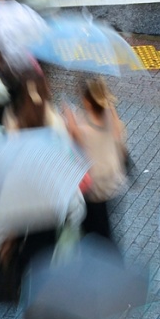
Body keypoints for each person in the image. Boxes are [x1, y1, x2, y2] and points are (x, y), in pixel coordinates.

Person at [64, 77, 128, 241]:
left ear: (88, 102)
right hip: (113, 183)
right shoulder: (110, 116)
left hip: (95, 189)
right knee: (105, 227)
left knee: (98, 233)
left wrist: (69, 119)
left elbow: (73, 136)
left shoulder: (85, 129)